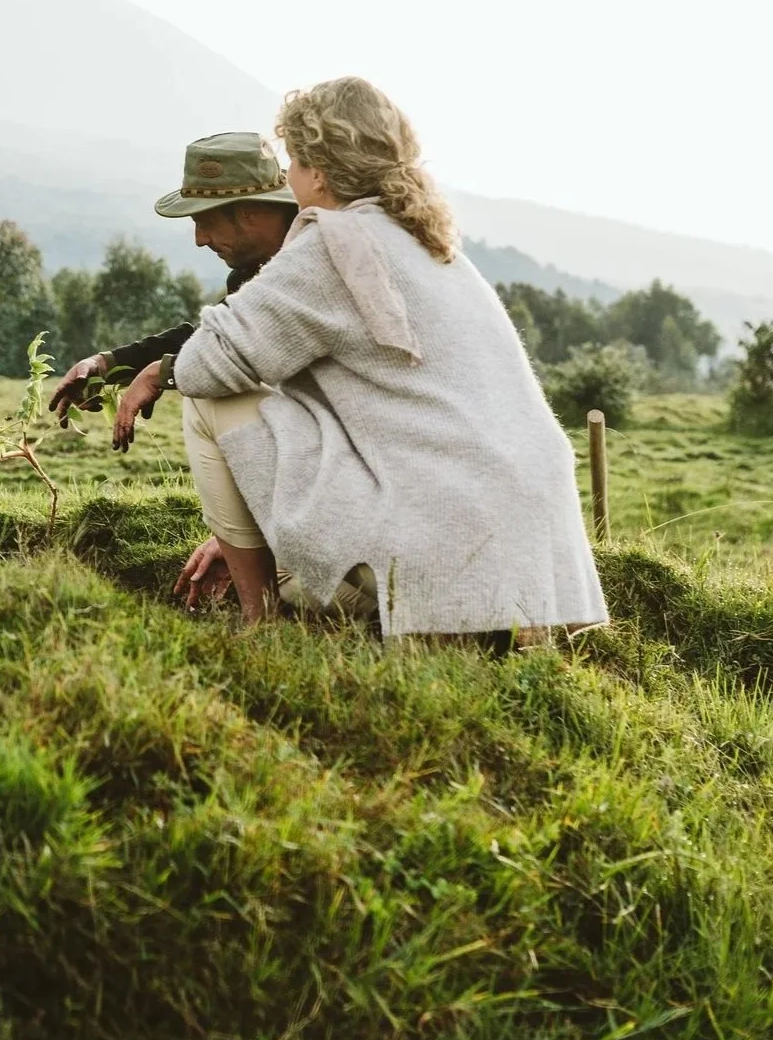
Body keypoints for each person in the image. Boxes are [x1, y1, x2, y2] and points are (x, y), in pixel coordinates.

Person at [168, 78, 609, 644]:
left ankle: (261, 628)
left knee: (208, 404)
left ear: (318, 172)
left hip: (444, 521)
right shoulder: (429, 241)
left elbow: (201, 366)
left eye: (294, 162)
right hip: (527, 537)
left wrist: (159, 372)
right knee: (312, 591)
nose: (290, 178)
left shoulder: (334, 243)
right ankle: (481, 626)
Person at [49, 132, 299, 449]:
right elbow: (210, 336)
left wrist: (164, 373)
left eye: (205, 222)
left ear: (248, 211)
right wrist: (106, 364)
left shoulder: (311, 258)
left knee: (206, 401)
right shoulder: (253, 271)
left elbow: (258, 347)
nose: (200, 239)